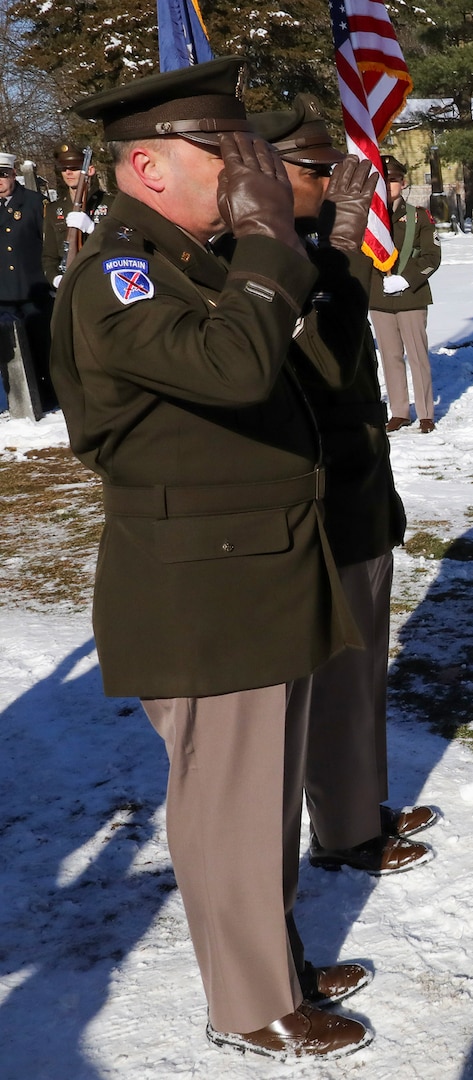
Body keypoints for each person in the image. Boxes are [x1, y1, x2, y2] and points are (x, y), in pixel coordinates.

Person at [51, 57, 372, 1060]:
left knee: (262, 795)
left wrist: (315, 245)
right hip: (203, 584)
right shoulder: (121, 275)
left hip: (255, 567)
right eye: (223, 151)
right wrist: (274, 239)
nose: (248, 167)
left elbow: (313, 370)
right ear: (147, 168)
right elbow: (234, 369)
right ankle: (249, 1004)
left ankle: (269, 960)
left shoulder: (201, 259)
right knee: (229, 803)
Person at [250, 96, 434, 876]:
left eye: (335, 171)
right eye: (316, 171)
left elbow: (350, 350)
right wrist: (344, 249)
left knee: (361, 670)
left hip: (357, 486)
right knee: (332, 675)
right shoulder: (258, 259)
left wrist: (343, 246)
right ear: (265, 172)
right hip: (317, 495)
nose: (333, 184)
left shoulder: (313, 248)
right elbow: (319, 360)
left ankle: (359, 809)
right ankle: (344, 832)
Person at [368, 155, 440, 433]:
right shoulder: (370, 218)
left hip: (411, 296)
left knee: (417, 355)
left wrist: (406, 280)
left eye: (393, 180)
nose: (388, 186)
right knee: (390, 357)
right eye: (383, 181)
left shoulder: (418, 216)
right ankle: (399, 411)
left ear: (403, 182)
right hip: (380, 297)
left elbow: (432, 256)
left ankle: (425, 413)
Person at [0, 149, 59, 409]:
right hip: (4, 295)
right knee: (10, 355)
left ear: (13, 174)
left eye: (2, 175)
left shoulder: (35, 203)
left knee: (42, 346)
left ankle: (50, 397)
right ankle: (19, 402)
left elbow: (49, 245)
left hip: (34, 289)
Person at [49, 143, 112, 282]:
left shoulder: (110, 203)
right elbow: (49, 256)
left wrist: (93, 229)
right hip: (69, 282)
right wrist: (55, 279)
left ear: (90, 170)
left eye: (74, 168)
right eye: (64, 168)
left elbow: (123, 244)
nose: (68, 172)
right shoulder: (53, 209)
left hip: (103, 280)